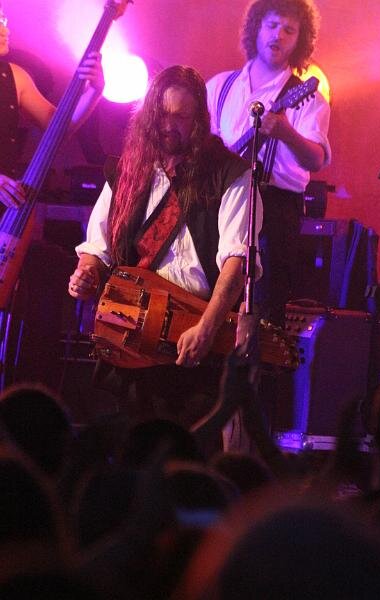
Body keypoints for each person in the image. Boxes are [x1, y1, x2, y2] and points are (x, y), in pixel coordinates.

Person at [68, 65, 262, 438]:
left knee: (187, 449)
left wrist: (206, 329)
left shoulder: (231, 175)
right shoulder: (128, 170)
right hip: (129, 338)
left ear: (199, 120)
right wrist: (86, 272)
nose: (168, 126)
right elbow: (96, 247)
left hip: (193, 336)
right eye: (161, 115)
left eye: (181, 117)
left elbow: (237, 264)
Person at [207, 0, 331, 328]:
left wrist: (287, 133)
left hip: (274, 211)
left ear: (300, 40)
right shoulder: (220, 86)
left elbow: (316, 159)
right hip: (219, 203)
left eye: (289, 30)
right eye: (272, 25)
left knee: (263, 313)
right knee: (208, 300)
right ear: (256, 28)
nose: (278, 35)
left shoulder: (308, 97)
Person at [0, 2, 104, 209]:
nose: (6, 30)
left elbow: (59, 128)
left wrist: (95, 90)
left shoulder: (15, 76)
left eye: (4, 21)